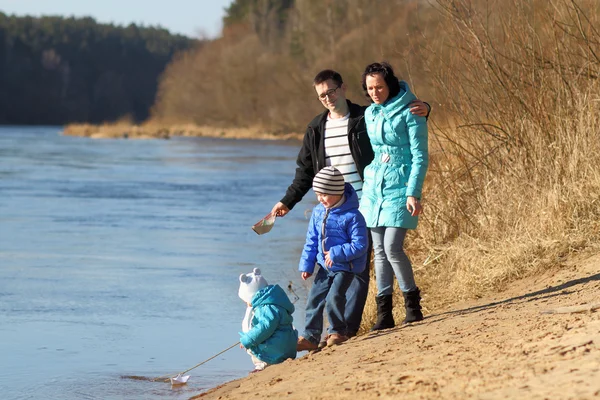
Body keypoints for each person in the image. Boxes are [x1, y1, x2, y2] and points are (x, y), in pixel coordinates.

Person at [270, 69, 430, 337]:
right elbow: (305, 172)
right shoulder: (316, 128)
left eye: (331, 91)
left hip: (366, 197)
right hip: (334, 208)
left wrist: (426, 107)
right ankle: (332, 329)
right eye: (322, 95)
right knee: (333, 267)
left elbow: (396, 121)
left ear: (342, 89)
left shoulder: (362, 116)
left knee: (361, 267)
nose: (328, 98)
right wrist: (287, 201)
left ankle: (349, 328)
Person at [359, 62, 429, 330]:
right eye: (370, 88)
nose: (375, 92)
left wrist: (413, 192)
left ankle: (413, 306)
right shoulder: (370, 113)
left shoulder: (412, 109)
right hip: (375, 186)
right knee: (378, 250)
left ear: (389, 84)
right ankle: (384, 314)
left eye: (379, 87)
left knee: (392, 247)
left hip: (400, 184)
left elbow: (420, 155)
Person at [296, 166, 369, 351]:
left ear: (337, 192)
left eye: (325, 194)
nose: (320, 199)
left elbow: (360, 245)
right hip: (324, 265)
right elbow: (311, 240)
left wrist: (336, 253)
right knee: (314, 298)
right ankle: (311, 337)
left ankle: (337, 332)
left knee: (334, 297)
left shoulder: (353, 216)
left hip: (346, 266)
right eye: (318, 194)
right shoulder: (318, 212)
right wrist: (307, 264)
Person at [238, 268, 298, 372]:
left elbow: (265, 327)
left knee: (253, 340)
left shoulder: (266, 307)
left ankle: (264, 363)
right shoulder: (274, 301)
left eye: (247, 301)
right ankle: (268, 361)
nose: (247, 304)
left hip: (277, 350)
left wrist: (247, 340)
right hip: (286, 345)